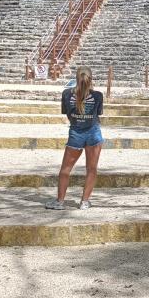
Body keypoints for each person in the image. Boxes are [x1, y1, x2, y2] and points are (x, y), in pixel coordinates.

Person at [46, 66, 103, 210]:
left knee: (65, 169)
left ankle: (60, 202)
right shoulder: (98, 96)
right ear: (91, 79)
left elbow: (67, 113)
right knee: (91, 169)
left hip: (75, 133)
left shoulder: (66, 94)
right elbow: (97, 114)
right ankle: (84, 202)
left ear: (76, 79)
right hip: (93, 133)